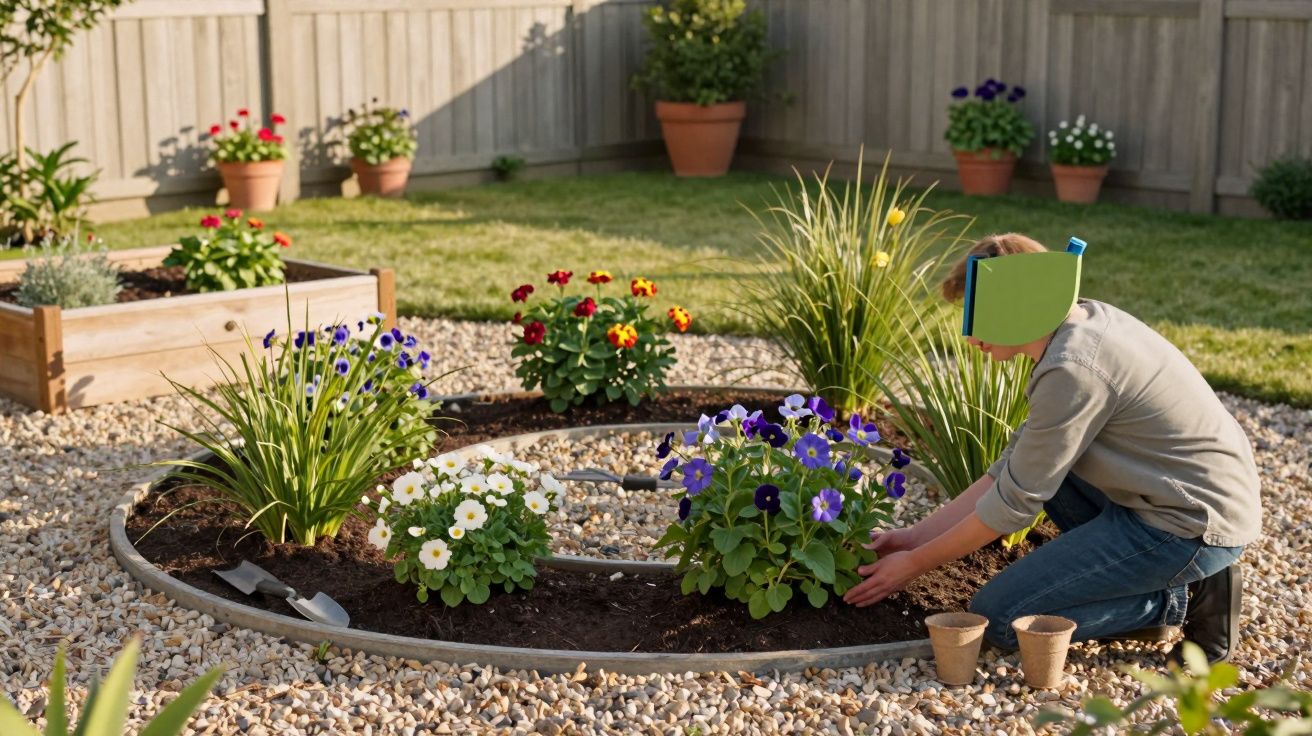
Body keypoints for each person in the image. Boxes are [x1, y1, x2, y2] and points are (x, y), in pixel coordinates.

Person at [843, 233, 1262, 664]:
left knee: (1002, 618)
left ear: (1019, 306)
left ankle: (1182, 599)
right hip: (1165, 496)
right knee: (1046, 475)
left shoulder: (1072, 369)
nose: (971, 339)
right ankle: (1182, 579)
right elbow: (1011, 472)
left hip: (1190, 523)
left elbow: (1011, 507)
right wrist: (913, 539)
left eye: (979, 318)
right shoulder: (1082, 325)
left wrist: (914, 565)